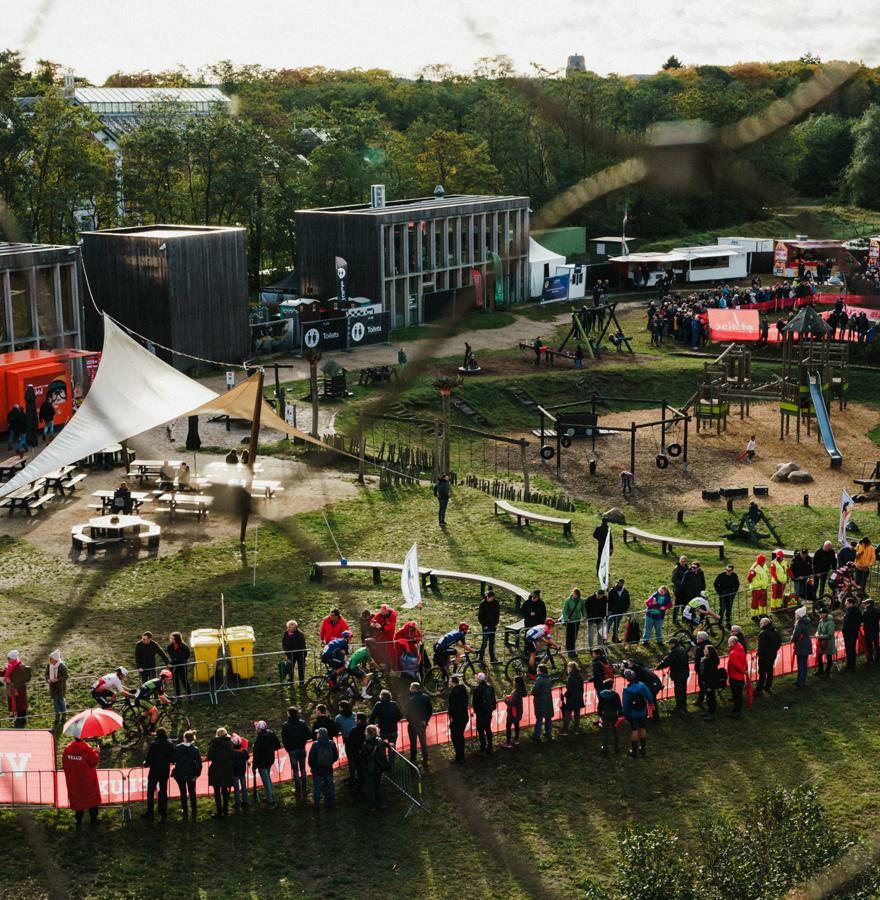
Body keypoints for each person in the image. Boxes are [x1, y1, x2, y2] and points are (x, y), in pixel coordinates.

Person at [62, 734, 101, 829]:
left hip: (75, 781)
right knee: (92, 800)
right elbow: (94, 761)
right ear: (83, 736)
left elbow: (64, 763)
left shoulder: (68, 748)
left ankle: (78, 822)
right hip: (87, 780)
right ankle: (94, 820)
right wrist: (96, 752)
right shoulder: (86, 748)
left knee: (78, 801)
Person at [143, 727, 175, 821]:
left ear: (157, 734)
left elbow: (150, 756)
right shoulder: (170, 744)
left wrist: (146, 764)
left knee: (150, 791)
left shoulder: (154, 744)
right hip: (165, 770)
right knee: (163, 791)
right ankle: (163, 811)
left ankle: (150, 812)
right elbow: (172, 759)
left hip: (154, 770)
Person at [622, 669, 652, 758]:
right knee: (642, 728)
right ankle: (643, 749)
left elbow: (625, 705)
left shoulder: (626, 691)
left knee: (634, 730)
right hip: (643, 711)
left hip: (632, 713)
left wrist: (626, 716)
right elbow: (649, 697)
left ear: (627, 679)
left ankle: (634, 751)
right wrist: (650, 705)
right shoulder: (642, 686)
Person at [280, 706, 310, 797]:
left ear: (289, 714)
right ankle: (304, 788)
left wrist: (288, 749)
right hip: (301, 748)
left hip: (292, 751)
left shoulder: (285, 725)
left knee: (296, 770)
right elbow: (308, 735)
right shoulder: (302, 723)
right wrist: (303, 742)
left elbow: (284, 739)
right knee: (303, 769)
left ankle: (298, 790)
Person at [172, 730, 201, 818]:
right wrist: (197, 775)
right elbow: (199, 763)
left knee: (183, 792)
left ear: (184, 738)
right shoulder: (195, 750)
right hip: (191, 774)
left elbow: (173, 759)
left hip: (180, 773)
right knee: (192, 792)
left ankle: (185, 809)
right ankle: (194, 808)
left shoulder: (177, 747)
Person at [308, 727, 339, 809]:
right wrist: (329, 763)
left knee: (317, 787)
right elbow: (336, 756)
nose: (316, 734)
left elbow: (311, 759)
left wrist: (313, 767)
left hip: (317, 770)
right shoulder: (332, 743)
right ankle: (331, 803)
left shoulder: (315, 744)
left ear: (320, 735)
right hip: (328, 769)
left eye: (317, 733)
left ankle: (317, 805)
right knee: (330, 786)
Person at [251, 720, 281, 806]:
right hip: (270, 759)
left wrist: (254, 766)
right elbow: (278, 745)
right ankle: (271, 796)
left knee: (266, 781)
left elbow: (256, 755)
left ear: (259, 729)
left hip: (262, 763)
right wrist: (270, 750)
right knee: (268, 778)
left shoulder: (258, 740)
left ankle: (270, 801)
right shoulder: (271, 734)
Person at [658, 638, 690, 713]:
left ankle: (679, 708)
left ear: (673, 644)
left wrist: (659, 667)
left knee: (678, 692)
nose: (669, 646)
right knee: (683, 690)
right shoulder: (683, 649)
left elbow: (667, 661)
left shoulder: (674, 652)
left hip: (678, 674)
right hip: (685, 673)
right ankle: (684, 706)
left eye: (670, 644)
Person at [207, 727, 235, 818]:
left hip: (216, 769)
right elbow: (232, 756)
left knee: (217, 792)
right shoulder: (230, 743)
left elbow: (209, 756)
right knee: (225, 790)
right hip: (227, 769)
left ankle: (219, 812)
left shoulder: (214, 744)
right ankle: (226, 810)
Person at [359, 725, 387, 809]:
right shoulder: (380, 741)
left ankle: (372, 806)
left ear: (368, 733)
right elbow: (386, 745)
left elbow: (363, 757)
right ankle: (381, 803)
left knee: (370, 787)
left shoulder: (365, 744)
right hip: (379, 767)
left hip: (369, 768)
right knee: (378, 785)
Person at [405, 682, 432, 767]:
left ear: (414, 689)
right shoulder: (426, 697)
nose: (409, 688)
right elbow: (430, 710)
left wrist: (411, 721)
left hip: (413, 725)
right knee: (423, 742)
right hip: (422, 724)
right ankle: (425, 758)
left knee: (413, 743)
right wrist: (425, 720)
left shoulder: (410, 699)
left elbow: (408, 714)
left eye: (410, 687)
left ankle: (413, 760)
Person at [2, 650, 30, 728]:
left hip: (19, 690)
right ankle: (19, 718)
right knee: (17, 704)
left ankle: (22, 720)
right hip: (13, 689)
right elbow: (5, 672)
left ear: (13, 659)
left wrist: (11, 682)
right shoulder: (10, 665)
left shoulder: (19, 667)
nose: (8, 659)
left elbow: (21, 679)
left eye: (9, 658)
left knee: (21, 705)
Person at [472, 672, 497, 753]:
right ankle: (490, 745)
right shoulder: (490, 687)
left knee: (481, 730)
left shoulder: (477, 690)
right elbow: (493, 699)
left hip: (480, 713)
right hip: (488, 712)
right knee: (488, 728)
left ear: (479, 679)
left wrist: (476, 712)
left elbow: (475, 703)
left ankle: (482, 747)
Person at [755, 617, 782, 694]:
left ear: (764, 624)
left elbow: (761, 647)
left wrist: (759, 654)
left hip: (764, 657)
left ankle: (759, 689)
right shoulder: (776, 631)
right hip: (773, 655)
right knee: (770, 671)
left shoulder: (763, 633)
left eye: (761, 623)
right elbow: (779, 643)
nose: (760, 624)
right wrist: (774, 650)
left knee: (762, 673)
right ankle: (768, 686)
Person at [447, 675, 470, 763]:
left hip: (457, 718)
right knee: (460, 736)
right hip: (464, 716)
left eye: (449, 681)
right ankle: (461, 756)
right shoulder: (463, 690)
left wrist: (451, 716)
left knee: (456, 737)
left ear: (453, 682)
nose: (448, 683)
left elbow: (452, 707)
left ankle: (459, 757)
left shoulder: (453, 693)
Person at [598, 678, 623, 754]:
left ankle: (604, 748)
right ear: (612, 686)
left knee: (605, 731)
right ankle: (617, 747)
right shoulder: (615, 694)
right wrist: (620, 714)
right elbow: (619, 705)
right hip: (614, 714)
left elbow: (600, 706)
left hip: (605, 714)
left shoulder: (601, 694)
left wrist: (600, 714)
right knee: (615, 731)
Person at [560, 661, 585, 734]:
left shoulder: (571, 677)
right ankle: (576, 730)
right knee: (577, 715)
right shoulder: (579, 676)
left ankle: (565, 731)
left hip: (571, 698)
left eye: (568, 667)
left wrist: (565, 695)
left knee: (567, 715)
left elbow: (570, 689)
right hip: (579, 697)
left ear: (570, 668)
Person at [560, 588, 585, 658]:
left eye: (576, 595)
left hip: (577, 620)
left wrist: (584, 616)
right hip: (570, 621)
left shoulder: (581, 601)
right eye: (573, 594)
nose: (574, 595)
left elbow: (583, 608)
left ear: (578, 595)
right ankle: (569, 650)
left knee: (574, 635)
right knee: (570, 636)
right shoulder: (568, 600)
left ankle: (572, 649)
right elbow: (564, 611)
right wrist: (566, 618)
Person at [477, 591, 501, 664]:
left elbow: (497, 614)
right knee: (484, 643)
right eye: (487, 596)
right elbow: (480, 616)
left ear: (493, 597)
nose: (487, 598)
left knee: (492, 643)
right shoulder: (483, 604)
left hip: (493, 626)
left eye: (489, 597)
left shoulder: (496, 603)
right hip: (486, 627)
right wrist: (484, 625)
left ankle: (492, 658)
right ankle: (480, 659)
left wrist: (496, 623)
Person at [531, 664, 554, 741]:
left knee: (539, 718)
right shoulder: (549, 678)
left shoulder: (539, 679)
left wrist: (533, 692)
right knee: (548, 717)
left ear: (541, 671)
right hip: (548, 700)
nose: (536, 671)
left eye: (537, 670)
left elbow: (534, 691)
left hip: (540, 701)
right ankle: (549, 733)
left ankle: (537, 735)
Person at [501, 676, 525, 748]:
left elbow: (511, 703)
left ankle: (508, 743)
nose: (513, 682)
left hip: (513, 712)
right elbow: (515, 699)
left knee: (508, 726)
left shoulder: (516, 692)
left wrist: (505, 698)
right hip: (518, 711)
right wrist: (510, 696)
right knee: (516, 724)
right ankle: (516, 740)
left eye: (514, 681)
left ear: (516, 683)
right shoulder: (521, 690)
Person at [45, 649, 68, 724]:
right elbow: (46, 674)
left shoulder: (62, 666)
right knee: (55, 702)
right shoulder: (49, 665)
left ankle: (64, 716)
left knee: (61, 701)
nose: (49, 660)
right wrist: (48, 679)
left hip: (60, 687)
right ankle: (57, 717)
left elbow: (66, 676)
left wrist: (57, 679)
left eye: (51, 659)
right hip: (53, 687)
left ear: (55, 659)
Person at [792, 606, 813, 688]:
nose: (795, 616)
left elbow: (795, 635)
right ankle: (803, 680)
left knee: (800, 664)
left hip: (801, 646)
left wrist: (792, 640)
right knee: (804, 663)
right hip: (807, 644)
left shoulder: (799, 624)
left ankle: (799, 682)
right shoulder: (806, 622)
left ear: (799, 615)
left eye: (796, 614)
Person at [713, 563, 739, 629]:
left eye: (729, 570)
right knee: (722, 609)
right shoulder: (721, 575)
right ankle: (719, 622)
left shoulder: (734, 576)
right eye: (727, 570)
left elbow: (737, 584)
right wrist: (720, 593)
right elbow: (715, 584)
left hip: (730, 596)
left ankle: (728, 623)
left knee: (729, 610)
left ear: (732, 570)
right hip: (723, 596)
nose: (728, 571)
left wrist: (734, 593)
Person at [280, 620, 306, 686]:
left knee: (301, 669)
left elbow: (301, 646)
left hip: (300, 655)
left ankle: (302, 683)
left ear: (295, 628)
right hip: (290, 655)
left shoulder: (300, 634)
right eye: (288, 627)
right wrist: (286, 652)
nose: (288, 629)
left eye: (290, 627)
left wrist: (290, 637)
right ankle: (291, 682)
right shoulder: (286, 633)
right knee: (290, 669)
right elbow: (284, 643)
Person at [726, 635, 747, 717]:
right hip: (740, 677)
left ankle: (737, 711)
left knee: (736, 694)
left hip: (735, 676)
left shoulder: (733, 653)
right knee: (739, 694)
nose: (728, 644)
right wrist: (744, 670)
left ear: (732, 642)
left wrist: (741, 671)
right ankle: (738, 709)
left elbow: (736, 665)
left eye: (729, 642)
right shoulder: (741, 649)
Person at [347, 712, 368, 793]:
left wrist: (352, 752)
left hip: (357, 755)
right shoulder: (369, 729)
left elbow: (349, 744)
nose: (354, 720)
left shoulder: (354, 731)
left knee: (360, 773)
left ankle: (361, 790)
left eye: (355, 718)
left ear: (359, 720)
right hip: (368, 755)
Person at [166, 632, 190, 698]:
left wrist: (183, 661)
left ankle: (190, 696)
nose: (171, 639)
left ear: (177, 639)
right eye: (171, 638)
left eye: (173, 638)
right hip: (174, 667)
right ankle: (178, 697)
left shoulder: (184, 647)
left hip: (182, 666)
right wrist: (171, 664)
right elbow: (171, 656)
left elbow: (187, 654)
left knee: (184, 681)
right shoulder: (169, 647)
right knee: (175, 683)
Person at [842, 597, 863, 671]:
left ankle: (849, 666)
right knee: (852, 649)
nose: (845, 604)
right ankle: (852, 665)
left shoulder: (850, 612)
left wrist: (845, 631)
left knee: (849, 649)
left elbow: (847, 623)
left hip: (849, 634)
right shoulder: (858, 611)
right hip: (854, 633)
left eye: (846, 603)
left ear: (851, 603)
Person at [700, 645, 721, 722]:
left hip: (710, 683)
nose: (704, 650)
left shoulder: (711, 661)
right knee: (709, 697)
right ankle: (709, 711)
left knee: (711, 698)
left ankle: (712, 714)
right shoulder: (708, 659)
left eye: (705, 649)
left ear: (709, 651)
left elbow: (712, 674)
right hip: (707, 681)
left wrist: (709, 685)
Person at [747, 554, 771, 619]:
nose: (763, 562)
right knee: (755, 603)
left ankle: (762, 614)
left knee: (763, 602)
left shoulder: (765, 565)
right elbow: (749, 578)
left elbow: (766, 573)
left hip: (764, 587)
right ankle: (754, 616)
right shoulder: (754, 568)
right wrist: (754, 584)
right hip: (756, 588)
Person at [230, 734, 250, 810]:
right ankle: (246, 801)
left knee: (236, 787)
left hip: (235, 772)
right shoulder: (244, 751)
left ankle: (237, 802)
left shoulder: (232, 753)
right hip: (242, 771)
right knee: (244, 786)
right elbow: (247, 757)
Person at [607, 579, 630, 643]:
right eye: (618, 583)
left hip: (620, 612)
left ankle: (615, 638)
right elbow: (608, 601)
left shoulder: (625, 592)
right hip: (611, 612)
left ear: (622, 584)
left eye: (620, 583)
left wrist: (624, 610)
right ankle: (603, 638)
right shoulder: (611, 591)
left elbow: (627, 602)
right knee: (608, 625)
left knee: (616, 626)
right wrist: (609, 609)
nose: (619, 584)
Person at [815, 606, 836, 677]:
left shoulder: (830, 622)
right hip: (821, 643)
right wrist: (817, 633)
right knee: (819, 657)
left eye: (822, 613)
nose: (820, 614)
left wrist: (819, 636)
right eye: (820, 613)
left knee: (828, 657)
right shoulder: (821, 621)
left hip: (829, 643)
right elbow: (818, 630)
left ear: (826, 614)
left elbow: (830, 634)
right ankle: (820, 671)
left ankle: (827, 672)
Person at [670, 555, 689, 625]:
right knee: (677, 605)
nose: (682, 562)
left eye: (684, 561)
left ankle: (684, 618)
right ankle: (674, 619)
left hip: (685, 590)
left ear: (686, 562)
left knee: (684, 604)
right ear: (679, 561)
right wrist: (682, 583)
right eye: (681, 561)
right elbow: (673, 579)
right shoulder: (676, 568)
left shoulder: (687, 568)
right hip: (678, 590)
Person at [863, 598, 880, 666]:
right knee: (876, 644)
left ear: (869, 604)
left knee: (869, 646)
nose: (864, 604)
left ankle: (871, 660)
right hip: (876, 630)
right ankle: (878, 658)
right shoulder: (878, 610)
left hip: (868, 631)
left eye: (865, 603)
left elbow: (862, 620)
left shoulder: (866, 611)